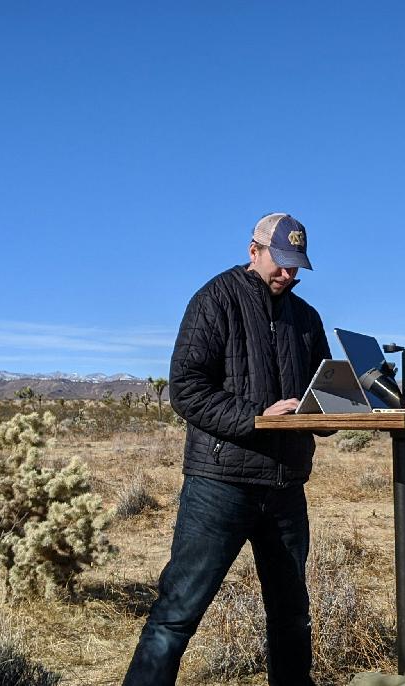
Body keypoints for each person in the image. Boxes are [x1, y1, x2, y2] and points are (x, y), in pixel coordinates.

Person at [123, 212, 331, 686]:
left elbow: (321, 391)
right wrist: (257, 420)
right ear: (253, 250)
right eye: (280, 262)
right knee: (177, 613)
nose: (287, 273)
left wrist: (333, 412)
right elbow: (187, 389)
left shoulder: (305, 318)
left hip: (284, 486)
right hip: (220, 485)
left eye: (295, 265)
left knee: (291, 617)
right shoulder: (215, 300)